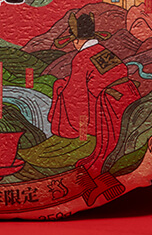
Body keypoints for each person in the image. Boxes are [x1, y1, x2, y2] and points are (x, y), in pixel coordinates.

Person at [48, 11, 140, 174]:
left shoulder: (81, 57)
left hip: (109, 105)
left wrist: (60, 88)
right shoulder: (102, 50)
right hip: (128, 95)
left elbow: (75, 92)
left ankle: (80, 135)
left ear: (77, 40)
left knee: (62, 89)